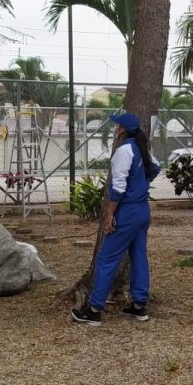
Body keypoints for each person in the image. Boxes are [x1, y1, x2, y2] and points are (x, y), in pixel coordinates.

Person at [70, 112, 161, 326]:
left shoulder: (123, 151)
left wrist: (110, 214)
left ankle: (94, 309)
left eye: (117, 125)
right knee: (139, 256)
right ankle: (139, 305)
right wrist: (140, 185)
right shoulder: (142, 148)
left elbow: (118, 187)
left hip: (127, 211)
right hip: (142, 209)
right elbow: (156, 168)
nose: (115, 128)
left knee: (106, 259)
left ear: (122, 130)